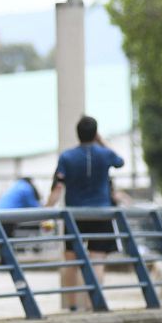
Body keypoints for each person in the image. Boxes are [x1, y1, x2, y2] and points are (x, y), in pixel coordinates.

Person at [46, 115, 125, 310]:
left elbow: (57, 188)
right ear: (95, 133)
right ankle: (93, 305)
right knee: (97, 261)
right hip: (101, 213)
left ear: (77, 133)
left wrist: (47, 211)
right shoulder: (105, 155)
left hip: (74, 215)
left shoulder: (67, 157)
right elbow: (120, 161)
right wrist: (101, 140)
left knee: (70, 260)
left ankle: (72, 306)